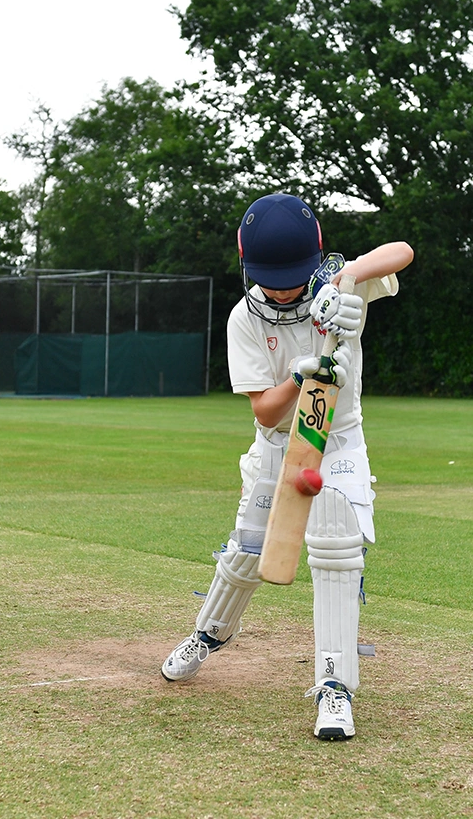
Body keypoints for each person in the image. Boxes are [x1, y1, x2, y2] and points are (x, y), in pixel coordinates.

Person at [161, 192, 414, 740]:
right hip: (277, 442)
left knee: (337, 552)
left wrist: (345, 281)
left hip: (339, 441)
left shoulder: (338, 285)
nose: (282, 288)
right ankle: (207, 635)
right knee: (247, 551)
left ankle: (334, 687)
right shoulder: (244, 319)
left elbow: (402, 250)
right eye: (270, 278)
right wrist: (300, 376)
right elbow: (264, 407)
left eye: (292, 276)